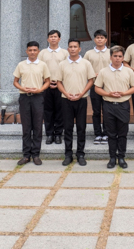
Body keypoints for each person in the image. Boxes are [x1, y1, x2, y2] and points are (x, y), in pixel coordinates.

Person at [95, 46, 134, 169]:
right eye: (115, 56)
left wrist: (125, 93)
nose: (117, 58)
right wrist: (108, 94)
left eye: (120, 56)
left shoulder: (129, 71)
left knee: (122, 133)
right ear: (110, 57)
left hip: (123, 105)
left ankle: (122, 157)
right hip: (108, 105)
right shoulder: (103, 71)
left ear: (123, 58)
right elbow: (97, 88)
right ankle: (112, 157)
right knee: (111, 133)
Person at [55, 39, 96, 167]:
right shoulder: (62, 64)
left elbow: (91, 80)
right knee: (67, 128)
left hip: (81, 99)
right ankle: (68, 154)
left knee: (81, 127)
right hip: (66, 100)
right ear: (68, 49)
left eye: (75, 47)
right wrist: (67, 94)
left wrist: (82, 93)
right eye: (70, 47)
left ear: (80, 49)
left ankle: (80, 154)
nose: (73, 49)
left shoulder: (86, 63)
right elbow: (58, 82)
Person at [13, 41, 51, 166]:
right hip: (24, 97)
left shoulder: (43, 65)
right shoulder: (21, 65)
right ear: (26, 51)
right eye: (30, 50)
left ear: (38, 51)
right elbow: (15, 82)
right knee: (26, 127)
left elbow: (47, 81)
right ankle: (26, 155)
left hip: (38, 97)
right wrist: (23, 88)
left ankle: (36, 155)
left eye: (35, 50)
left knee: (38, 127)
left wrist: (40, 89)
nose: (32, 52)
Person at [38, 30, 68, 145]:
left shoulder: (65, 53)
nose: (53, 38)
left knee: (60, 111)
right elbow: (39, 69)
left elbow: (67, 69)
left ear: (59, 39)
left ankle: (58, 134)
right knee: (48, 111)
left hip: (60, 85)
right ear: (48, 39)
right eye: (51, 37)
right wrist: (47, 82)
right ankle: (49, 134)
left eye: (55, 37)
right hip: (46, 85)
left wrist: (59, 82)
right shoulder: (42, 53)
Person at [83, 29, 110, 145]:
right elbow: (84, 68)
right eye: (98, 38)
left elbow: (115, 66)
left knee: (108, 111)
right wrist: (94, 75)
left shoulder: (111, 52)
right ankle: (97, 133)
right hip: (95, 86)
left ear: (106, 40)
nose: (100, 40)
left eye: (102, 38)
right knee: (96, 111)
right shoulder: (89, 53)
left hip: (108, 86)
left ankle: (107, 133)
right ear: (94, 39)